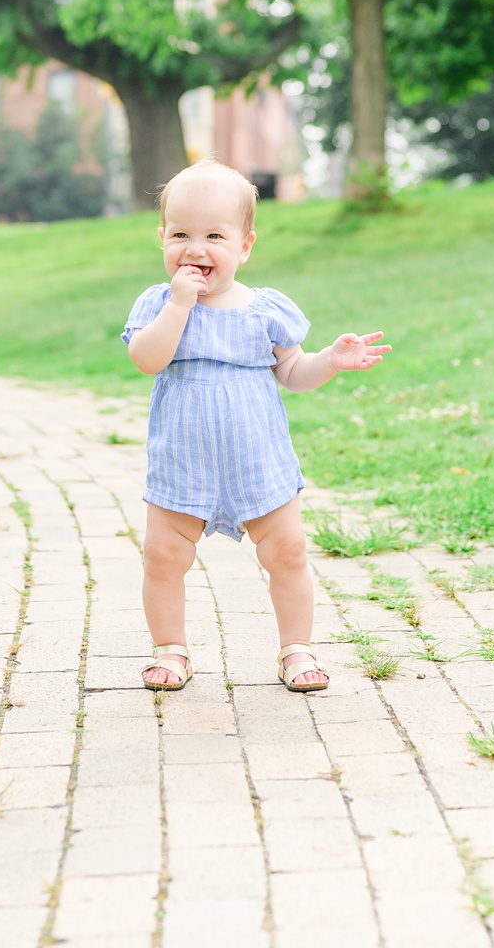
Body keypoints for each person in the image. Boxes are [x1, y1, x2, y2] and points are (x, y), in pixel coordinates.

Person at [121, 160, 389, 695]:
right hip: (183, 463)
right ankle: (170, 648)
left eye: (214, 236)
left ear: (244, 246)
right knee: (163, 556)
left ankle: (298, 648)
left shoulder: (263, 310)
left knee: (287, 552)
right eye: (181, 235)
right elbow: (147, 360)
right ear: (162, 239)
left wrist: (330, 361)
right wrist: (179, 305)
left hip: (257, 462)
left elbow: (293, 372)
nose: (196, 250)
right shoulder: (158, 303)